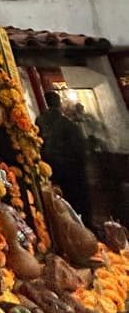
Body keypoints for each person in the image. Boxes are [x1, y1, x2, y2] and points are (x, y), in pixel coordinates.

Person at [36, 91, 92, 223]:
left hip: (51, 168)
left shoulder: (40, 120)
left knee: (61, 203)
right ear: (59, 103)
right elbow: (79, 148)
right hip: (71, 169)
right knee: (77, 201)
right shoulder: (66, 123)